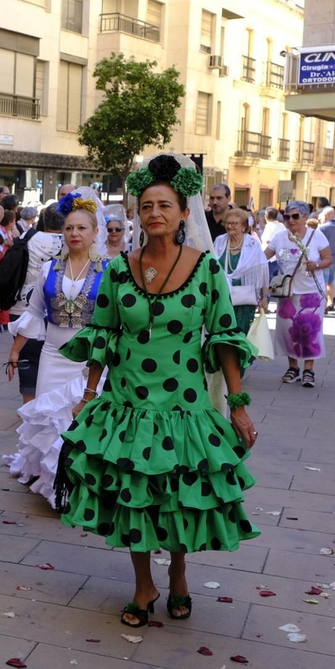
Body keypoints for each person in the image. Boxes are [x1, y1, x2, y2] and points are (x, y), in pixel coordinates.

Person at [55, 153, 257, 628]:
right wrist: (88, 396)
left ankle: (180, 572)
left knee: (180, 495)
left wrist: (238, 407)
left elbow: (225, 339)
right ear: (137, 214)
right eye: (146, 206)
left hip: (183, 408)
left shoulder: (206, 269)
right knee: (135, 496)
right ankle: (144, 584)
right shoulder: (120, 270)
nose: (155, 214)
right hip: (129, 404)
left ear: (185, 212)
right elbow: (103, 335)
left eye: (165, 205)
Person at [4, 192, 106, 505]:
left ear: (94, 233)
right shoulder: (48, 269)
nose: (75, 233)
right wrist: (16, 350)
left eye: (81, 228)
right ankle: (53, 487)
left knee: (84, 421)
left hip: (90, 361)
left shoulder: (110, 271)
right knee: (51, 420)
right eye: (69, 228)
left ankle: (82, 483)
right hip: (52, 354)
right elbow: (34, 311)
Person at [265, 200, 332, 387]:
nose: (291, 220)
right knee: (288, 332)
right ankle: (292, 368)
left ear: (305, 217)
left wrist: (317, 265)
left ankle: (309, 370)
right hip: (287, 292)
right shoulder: (280, 237)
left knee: (310, 333)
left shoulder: (316, 236)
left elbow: (328, 258)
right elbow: (264, 257)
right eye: (287, 216)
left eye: (295, 216)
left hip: (311, 293)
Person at [7, 205, 66, 404]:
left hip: (22, 306)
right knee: (57, 361)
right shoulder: (73, 243)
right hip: (60, 310)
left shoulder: (27, 239)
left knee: (28, 361)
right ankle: (50, 405)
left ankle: (29, 406)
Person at [213, 207, 269, 334]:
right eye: (227, 223)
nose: (230, 226)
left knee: (240, 332)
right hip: (222, 296)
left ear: (244, 226)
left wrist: (265, 297)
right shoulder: (219, 241)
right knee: (221, 332)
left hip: (245, 299)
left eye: (234, 223)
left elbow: (263, 271)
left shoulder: (252, 244)